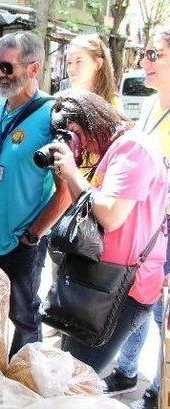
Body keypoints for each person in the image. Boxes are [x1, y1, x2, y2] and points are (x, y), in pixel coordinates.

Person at [46, 90, 168, 390]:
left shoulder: (132, 149)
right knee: (73, 372)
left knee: (78, 381)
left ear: (92, 119)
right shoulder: (114, 151)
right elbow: (87, 208)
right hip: (100, 280)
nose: (78, 142)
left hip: (122, 287)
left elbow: (111, 215)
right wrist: (68, 174)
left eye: (75, 133)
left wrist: (74, 175)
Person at [0, 31, 70, 357]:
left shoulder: (52, 115)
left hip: (20, 242)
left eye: (6, 67)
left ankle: (25, 385)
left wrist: (33, 234)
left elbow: (65, 192)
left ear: (33, 68)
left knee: (23, 318)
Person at [102, 26, 170, 409]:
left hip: (165, 227)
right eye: (143, 53)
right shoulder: (147, 105)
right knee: (136, 299)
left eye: (153, 54)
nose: (144, 61)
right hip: (143, 226)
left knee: (163, 315)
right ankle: (127, 370)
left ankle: (161, 387)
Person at [65, 34, 120, 108]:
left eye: (79, 61)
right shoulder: (64, 101)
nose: (71, 69)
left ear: (98, 63)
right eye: (69, 63)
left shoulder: (112, 104)